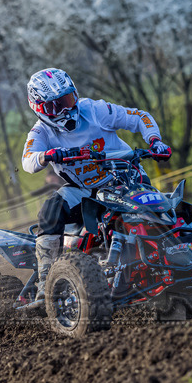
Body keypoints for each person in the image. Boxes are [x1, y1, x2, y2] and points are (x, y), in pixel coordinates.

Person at [20, 67, 172, 309]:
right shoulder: (41, 132)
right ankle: (46, 283)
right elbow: (27, 161)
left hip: (125, 178)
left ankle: (173, 256)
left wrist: (155, 140)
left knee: (161, 211)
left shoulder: (94, 109)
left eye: (68, 99)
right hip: (84, 190)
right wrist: (47, 155)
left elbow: (138, 117)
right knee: (51, 209)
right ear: (40, 108)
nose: (66, 109)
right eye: (56, 105)